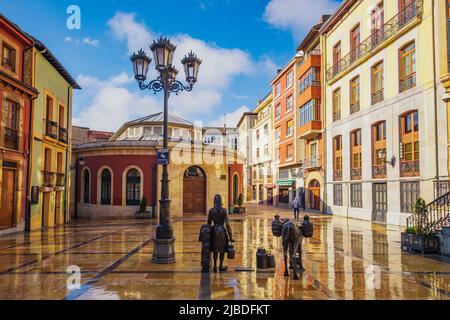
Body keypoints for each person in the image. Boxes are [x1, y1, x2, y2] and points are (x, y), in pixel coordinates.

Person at [208, 194, 233, 273]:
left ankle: (215, 266)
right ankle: (221, 265)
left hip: (214, 231)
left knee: (215, 250)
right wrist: (231, 236)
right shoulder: (224, 210)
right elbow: (228, 224)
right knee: (222, 250)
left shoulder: (211, 210)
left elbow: (208, 223)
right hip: (222, 231)